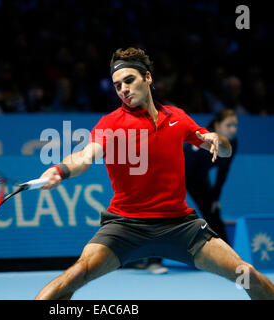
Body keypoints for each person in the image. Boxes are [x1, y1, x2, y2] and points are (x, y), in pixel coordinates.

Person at [35, 47, 274, 300]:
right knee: (72, 278)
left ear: (147, 78)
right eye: (117, 86)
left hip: (181, 226)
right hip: (125, 226)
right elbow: (84, 156)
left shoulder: (177, 118)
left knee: (248, 274)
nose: (123, 89)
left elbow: (223, 151)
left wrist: (217, 138)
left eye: (129, 80)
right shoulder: (111, 123)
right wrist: (59, 169)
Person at [185, 109, 238, 244]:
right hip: (178, 174)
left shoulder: (233, 144)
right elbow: (186, 169)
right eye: (229, 125)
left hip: (198, 178)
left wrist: (215, 197)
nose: (233, 130)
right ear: (217, 126)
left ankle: (227, 254)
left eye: (235, 125)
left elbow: (223, 171)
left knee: (213, 212)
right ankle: (152, 261)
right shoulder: (204, 140)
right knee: (164, 213)